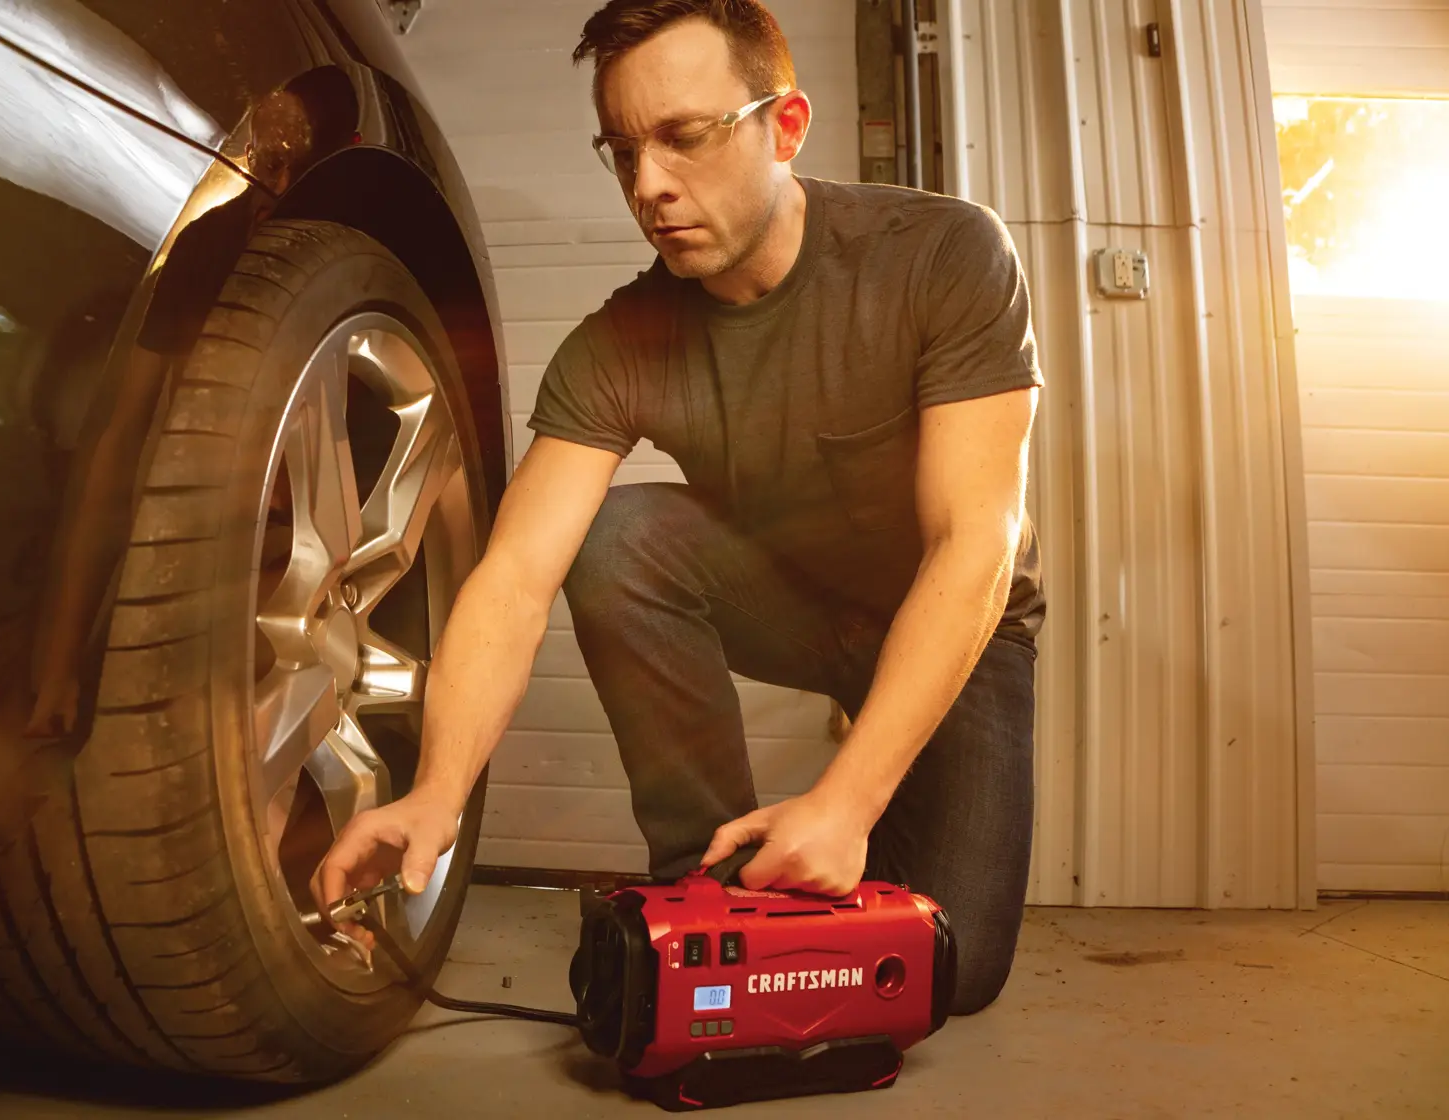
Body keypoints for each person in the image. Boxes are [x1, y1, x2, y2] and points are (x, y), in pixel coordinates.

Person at [313, 0, 1044, 1015]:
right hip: (792, 595)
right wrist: (436, 791)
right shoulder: (619, 347)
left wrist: (847, 800)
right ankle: (702, 884)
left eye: (685, 139)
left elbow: (976, 543)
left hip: (958, 612)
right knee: (617, 535)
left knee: (949, 968)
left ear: (784, 127)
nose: (649, 186)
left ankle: (832, 847)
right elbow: (516, 578)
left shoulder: (942, 256)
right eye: (622, 153)